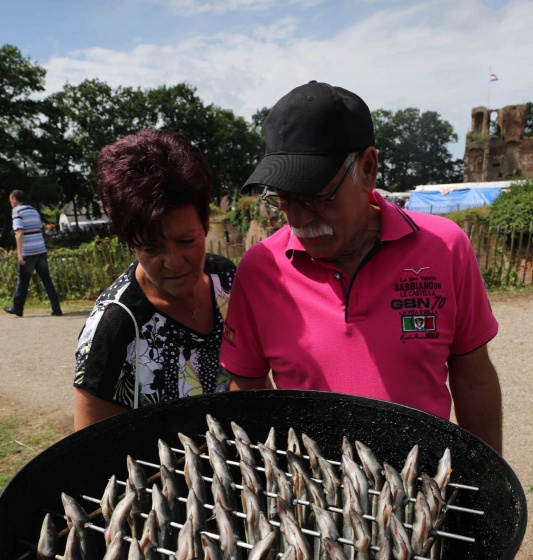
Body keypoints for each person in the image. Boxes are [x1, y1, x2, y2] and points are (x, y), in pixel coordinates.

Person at [219, 80, 502, 453]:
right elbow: (248, 386)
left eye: (316, 197)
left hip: (422, 489)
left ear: (368, 168)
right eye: (283, 198)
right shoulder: (260, 269)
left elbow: (473, 380)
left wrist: (485, 487)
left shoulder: (445, 249)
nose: (299, 219)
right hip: (311, 496)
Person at [73, 129, 235, 430]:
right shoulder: (116, 328)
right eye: (151, 248)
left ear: (205, 224)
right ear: (130, 244)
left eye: (187, 241)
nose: (174, 262)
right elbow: (89, 451)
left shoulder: (225, 280)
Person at [4, 190, 63, 318]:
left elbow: (19, 232)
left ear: (14, 199)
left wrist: (19, 254)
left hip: (28, 252)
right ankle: (56, 308)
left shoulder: (17, 211)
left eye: (10, 200)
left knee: (23, 282)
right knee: (47, 280)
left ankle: (17, 308)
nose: (10, 203)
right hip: (40, 250)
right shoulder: (33, 210)